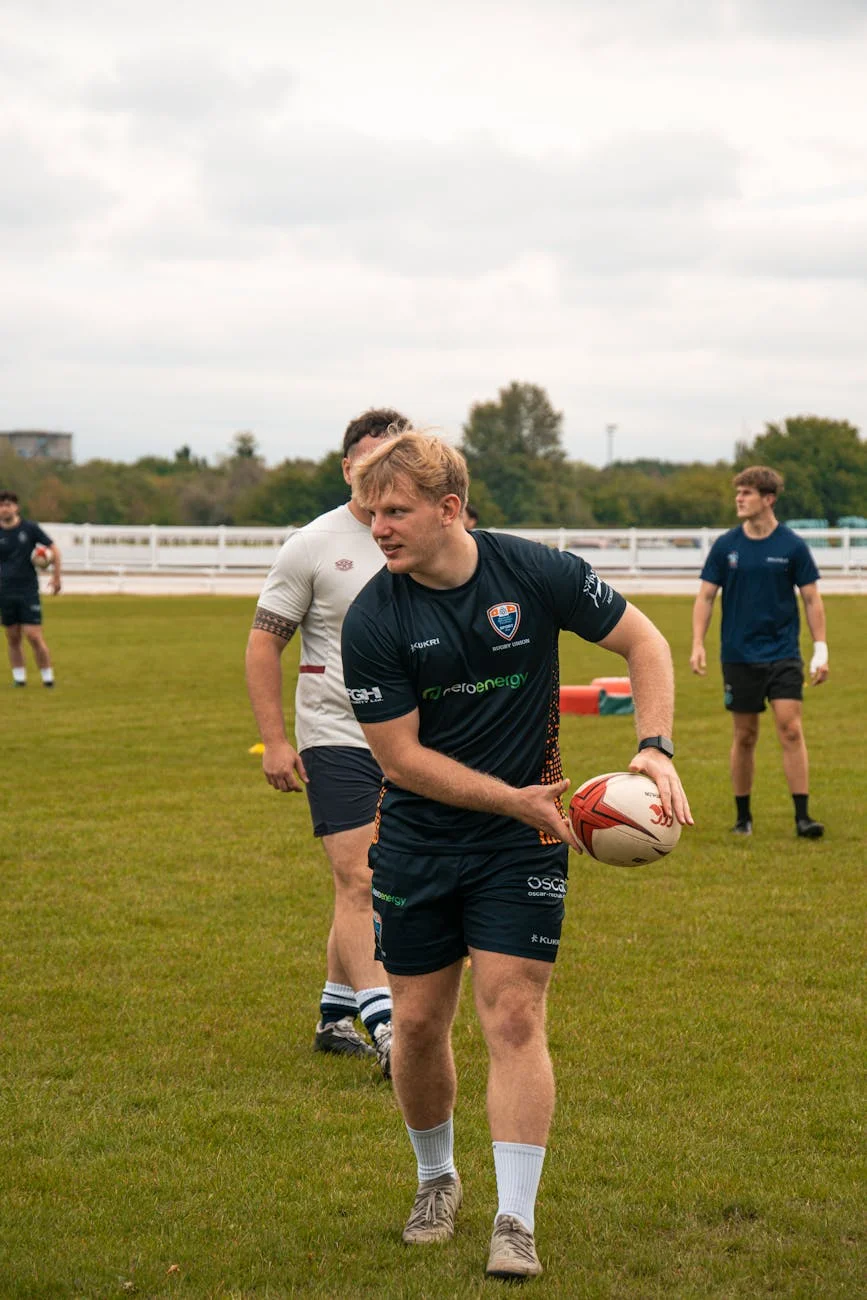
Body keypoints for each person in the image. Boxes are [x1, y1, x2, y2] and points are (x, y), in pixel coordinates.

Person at [341, 431, 691, 1280]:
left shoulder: (535, 572)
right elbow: (400, 761)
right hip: (422, 841)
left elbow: (644, 643)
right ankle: (436, 1179)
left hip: (521, 844)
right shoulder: (373, 617)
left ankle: (514, 1219)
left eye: (395, 511)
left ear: (448, 508)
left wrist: (654, 745)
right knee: (418, 1026)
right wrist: (517, 796)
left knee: (514, 1016)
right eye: (370, 511)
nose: (377, 528)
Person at [245, 408, 410, 1079]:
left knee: (384, 883)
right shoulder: (311, 545)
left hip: (417, 740)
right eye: (368, 463)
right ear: (346, 468)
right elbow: (263, 644)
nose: (380, 476)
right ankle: (387, 1027)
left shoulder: (429, 534)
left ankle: (334, 1011)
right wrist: (276, 741)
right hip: (336, 732)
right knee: (360, 877)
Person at [690, 465, 828, 838]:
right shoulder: (726, 546)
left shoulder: (792, 546)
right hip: (738, 654)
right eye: (738, 492)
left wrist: (821, 649)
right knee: (745, 735)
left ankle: (803, 817)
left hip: (783, 653)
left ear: (768, 499)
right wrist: (697, 644)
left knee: (791, 729)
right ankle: (742, 818)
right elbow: (705, 596)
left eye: (747, 493)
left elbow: (812, 599)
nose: (739, 498)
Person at [0, 490, 61, 688]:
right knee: (12, 637)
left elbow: (54, 550)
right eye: (1, 505)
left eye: (8, 504)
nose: (4, 508)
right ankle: (19, 679)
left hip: (27, 591)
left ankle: (48, 679)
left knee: (34, 636)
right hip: (5, 591)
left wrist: (56, 576)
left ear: (16, 507)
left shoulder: (30, 528)